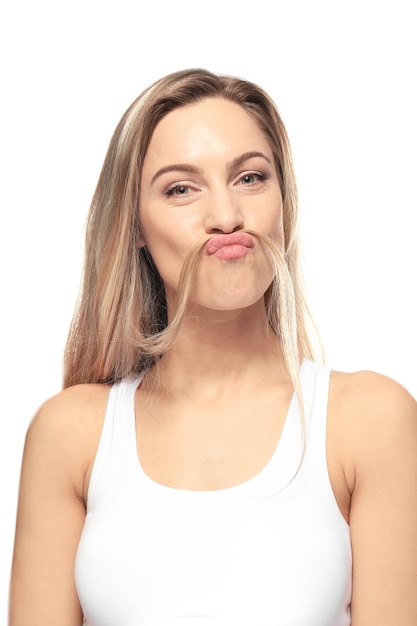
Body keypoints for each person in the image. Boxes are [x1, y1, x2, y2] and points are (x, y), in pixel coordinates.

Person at [9, 68, 417, 626]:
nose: (226, 217)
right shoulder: (71, 436)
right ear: (133, 223)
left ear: (283, 200)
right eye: (181, 188)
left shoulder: (369, 420)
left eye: (251, 178)